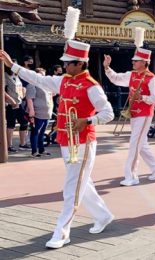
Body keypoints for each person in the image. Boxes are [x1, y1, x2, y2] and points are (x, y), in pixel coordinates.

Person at [0, 35, 115, 248]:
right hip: (65, 140)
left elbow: (108, 113)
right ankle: (103, 215)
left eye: (68, 62)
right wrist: (13, 66)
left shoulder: (91, 86)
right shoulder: (63, 80)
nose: (64, 65)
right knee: (83, 183)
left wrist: (89, 119)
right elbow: (38, 79)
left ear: (80, 63)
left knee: (71, 188)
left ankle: (62, 233)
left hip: (82, 142)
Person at [103, 27, 155, 186]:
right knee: (141, 144)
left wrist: (142, 97)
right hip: (135, 114)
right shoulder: (132, 74)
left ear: (144, 62)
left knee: (134, 144)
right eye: (133, 60)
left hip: (144, 113)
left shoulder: (151, 77)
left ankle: (131, 176)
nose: (133, 62)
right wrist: (107, 67)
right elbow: (116, 79)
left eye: (135, 60)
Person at [25, 68, 53, 157]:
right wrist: (31, 111)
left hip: (46, 113)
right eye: (41, 74)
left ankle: (41, 149)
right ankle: (34, 151)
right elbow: (29, 98)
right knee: (35, 132)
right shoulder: (32, 84)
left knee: (42, 132)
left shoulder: (45, 85)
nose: (43, 77)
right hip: (38, 113)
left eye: (44, 75)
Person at [4, 61, 29, 152]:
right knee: (11, 124)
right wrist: (11, 100)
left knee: (24, 122)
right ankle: (9, 146)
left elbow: (20, 87)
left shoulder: (16, 76)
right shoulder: (4, 75)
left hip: (19, 102)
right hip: (11, 104)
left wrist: (24, 90)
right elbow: (2, 90)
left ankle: (23, 143)